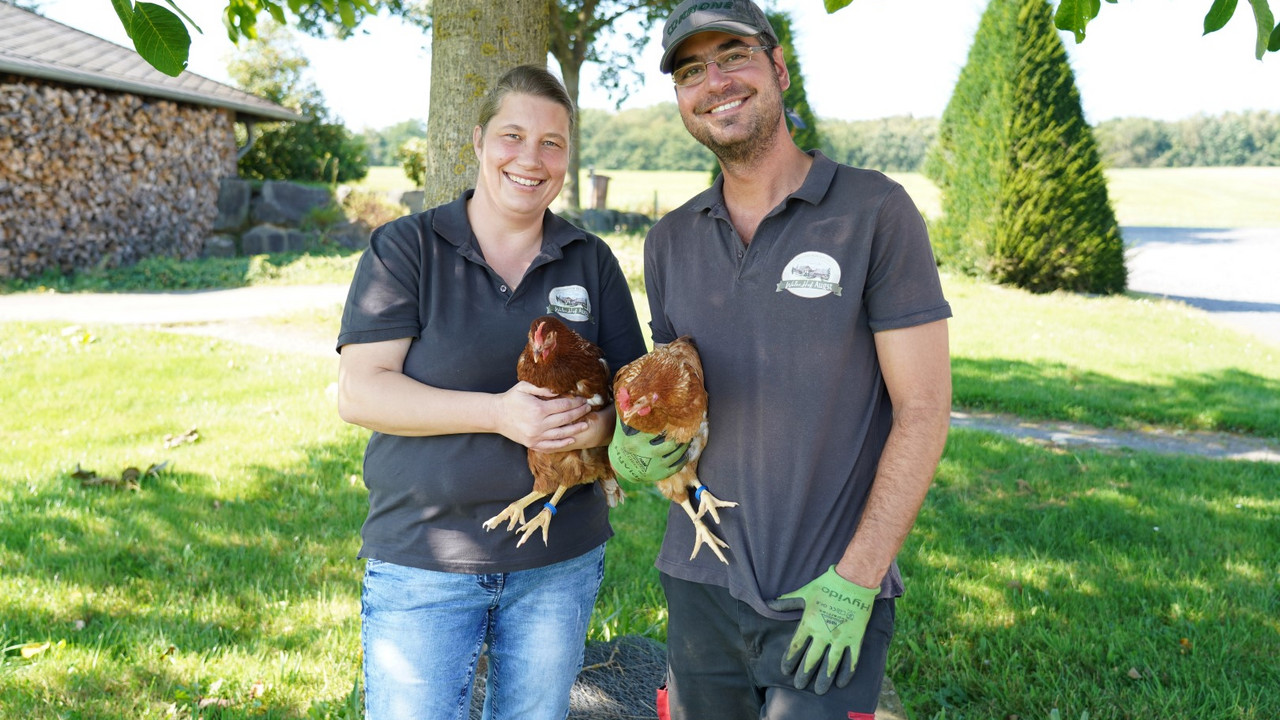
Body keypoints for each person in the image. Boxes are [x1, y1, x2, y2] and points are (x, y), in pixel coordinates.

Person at [641, 1, 954, 718]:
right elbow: (679, 401)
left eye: (734, 56)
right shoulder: (669, 241)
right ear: (681, 99)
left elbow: (924, 409)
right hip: (699, 591)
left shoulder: (874, 212)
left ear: (779, 68)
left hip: (829, 588)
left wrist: (860, 576)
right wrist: (642, 446)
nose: (714, 80)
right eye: (691, 69)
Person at [335, 64, 647, 720]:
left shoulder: (589, 260)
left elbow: (634, 402)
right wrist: (502, 415)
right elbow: (361, 394)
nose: (531, 159)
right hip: (426, 555)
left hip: (557, 561)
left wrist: (591, 430)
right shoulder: (408, 248)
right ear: (477, 141)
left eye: (552, 143)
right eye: (512, 135)